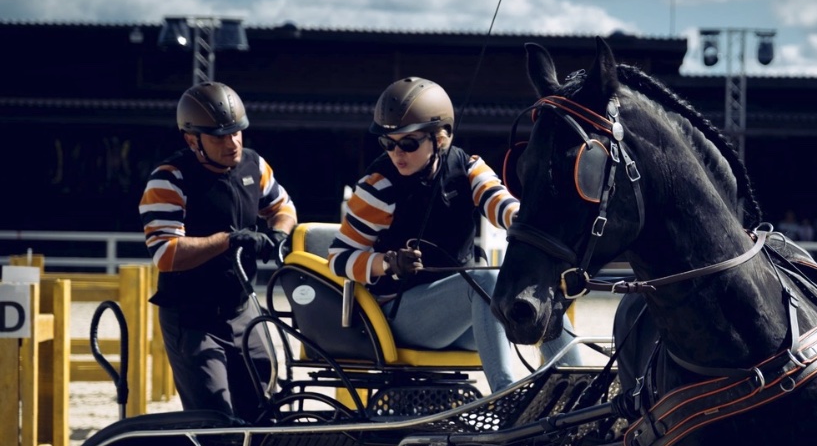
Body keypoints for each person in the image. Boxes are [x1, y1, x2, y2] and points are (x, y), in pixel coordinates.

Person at [328, 76, 582, 393]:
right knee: (485, 280)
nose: (397, 153)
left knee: (535, 293)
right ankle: (505, 396)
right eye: (388, 143)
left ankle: (579, 388)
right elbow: (339, 260)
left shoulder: (469, 168)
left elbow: (502, 205)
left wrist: (529, 222)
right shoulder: (377, 188)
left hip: (464, 318)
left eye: (408, 143)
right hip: (400, 318)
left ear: (442, 138)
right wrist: (387, 263)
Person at [139, 81, 298, 421]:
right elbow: (166, 253)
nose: (232, 142)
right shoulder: (169, 179)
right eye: (219, 136)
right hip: (193, 318)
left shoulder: (254, 165)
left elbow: (284, 208)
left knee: (266, 406)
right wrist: (229, 240)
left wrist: (277, 234)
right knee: (215, 417)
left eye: (237, 132)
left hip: (242, 311)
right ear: (191, 139)